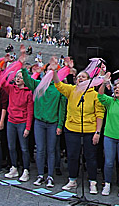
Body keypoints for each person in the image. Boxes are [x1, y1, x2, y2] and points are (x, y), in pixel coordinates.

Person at [53, 65, 106, 193]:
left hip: (89, 130)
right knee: (72, 155)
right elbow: (58, 85)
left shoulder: (94, 94)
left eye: (83, 77)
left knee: (90, 156)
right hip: (72, 128)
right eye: (78, 77)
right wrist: (54, 71)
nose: (80, 79)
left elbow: (100, 113)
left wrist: (97, 132)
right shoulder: (71, 90)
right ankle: (72, 180)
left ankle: (92, 181)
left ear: (89, 80)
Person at [21, 64, 66, 187]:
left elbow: (62, 109)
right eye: (48, 71)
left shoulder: (59, 88)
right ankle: (40, 175)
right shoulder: (38, 84)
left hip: (53, 123)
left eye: (53, 72)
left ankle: (50, 176)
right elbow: (27, 80)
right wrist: (24, 68)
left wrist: (60, 125)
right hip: (39, 123)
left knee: (51, 150)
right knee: (40, 150)